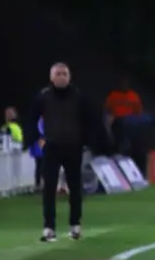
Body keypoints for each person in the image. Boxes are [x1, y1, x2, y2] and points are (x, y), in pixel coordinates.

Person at [24, 62, 103, 243]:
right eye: (58, 73)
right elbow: (30, 119)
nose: (61, 77)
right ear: (51, 77)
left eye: (64, 73)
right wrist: (38, 139)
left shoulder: (78, 97)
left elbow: (91, 120)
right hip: (51, 146)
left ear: (70, 77)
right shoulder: (43, 97)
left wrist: (86, 142)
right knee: (49, 188)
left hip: (73, 146)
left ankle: (75, 225)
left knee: (75, 187)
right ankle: (49, 227)